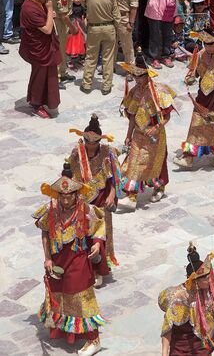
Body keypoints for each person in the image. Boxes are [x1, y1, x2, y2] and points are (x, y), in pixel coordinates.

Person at [32, 163, 106, 356]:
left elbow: (99, 226)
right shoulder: (51, 212)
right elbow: (45, 234)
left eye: (69, 195)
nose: (66, 200)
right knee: (58, 293)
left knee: (81, 297)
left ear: (76, 194)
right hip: (57, 261)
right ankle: (64, 329)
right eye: (62, 196)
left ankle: (94, 339)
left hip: (78, 260)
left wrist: (97, 243)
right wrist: (48, 258)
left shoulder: (85, 211)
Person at [173, 30, 214, 169]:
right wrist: (191, 77)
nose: (208, 47)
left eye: (211, 44)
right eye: (206, 44)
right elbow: (195, 71)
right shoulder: (201, 54)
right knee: (196, 125)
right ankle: (188, 158)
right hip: (203, 96)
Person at [68, 113, 122, 285]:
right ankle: (85, 266)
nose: (90, 147)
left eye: (94, 143)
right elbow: (72, 177)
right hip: (82, 200)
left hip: (102, 199)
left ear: (100, 141)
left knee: (101, 234)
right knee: (84, 233)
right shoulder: (77, 153)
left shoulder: (108, 153)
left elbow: (114, 177)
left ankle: (99, 270)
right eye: (87, 143)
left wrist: (112, 194)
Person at [119, 50, 176, 210]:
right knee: (134, 163)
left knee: (152, 164)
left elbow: (167, 116)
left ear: (147, 74)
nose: (137, 79)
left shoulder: (159, 91)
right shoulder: (134, 91)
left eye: (140, 75)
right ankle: (131, 197)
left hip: (155, 135)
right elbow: (131, 116)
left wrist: (157, 127)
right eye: (135, 76)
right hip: (138, 134)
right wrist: (128, 135)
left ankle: (159, 186)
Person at [158, 242, 214, 356]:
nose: (210, 280)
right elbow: (168, 329)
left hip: (203, 347)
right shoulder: (177, 298)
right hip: (181, 349)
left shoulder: (212, 290)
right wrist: (164, 354)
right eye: (206, 278)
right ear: (194, 280)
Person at [19, 0, 61, 118]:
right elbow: (47, 30)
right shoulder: (29, 8)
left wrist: (49, 14)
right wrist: (49, 10)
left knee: (49, 75)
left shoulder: (38, 3)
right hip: (38, 49)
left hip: (45, 47)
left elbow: (46, 20)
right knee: (39, 76)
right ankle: (36, 104)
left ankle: (44, 101)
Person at [80, 0, 121, 95]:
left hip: (93, 28)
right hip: (109, 28)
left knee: (91, 56)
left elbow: (83, 5)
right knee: (108, 58)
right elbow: (116, 15)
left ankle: (87, 84)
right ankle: (106, 86)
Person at [49, 0, 78, 89]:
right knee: (59, 49)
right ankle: (56, 77)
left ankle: (63, 72)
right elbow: (64, 15)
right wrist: (73, 28)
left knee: (62, 49)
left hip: (56, 18)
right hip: (59, 23)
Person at [111, 0, 138, 74]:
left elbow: (134, 5)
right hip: (113, 17)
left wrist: (131, 22)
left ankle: (130, 70)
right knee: (111, 44)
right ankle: (110, 68)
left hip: (124, 18)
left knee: (127, 46)